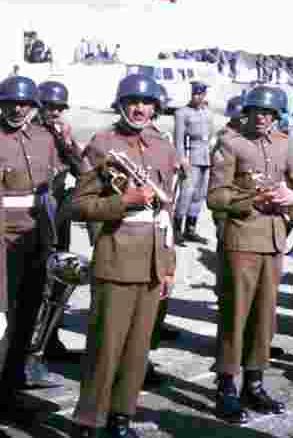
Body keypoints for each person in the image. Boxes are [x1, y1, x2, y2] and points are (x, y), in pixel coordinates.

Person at [67, 74, 177, 438]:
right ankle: (87, 423)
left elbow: (167, 213)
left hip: (152, 261)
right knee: (105, 349)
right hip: (115, 257)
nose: (140, 108)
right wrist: (123, 202)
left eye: (147, 103)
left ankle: (120, 420)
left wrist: (169, 266)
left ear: (156, 108)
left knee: (137, 350)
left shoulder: (164, 146)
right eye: (133, 101)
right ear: (120, 105)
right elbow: (78, 205)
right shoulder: (103, 143)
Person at [207, 85, 293, 424]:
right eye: (257, 112)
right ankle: (226, 385)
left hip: (273, 239)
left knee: (265, 316)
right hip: (241, 238)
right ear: (247, 113)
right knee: (235, 314)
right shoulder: (231, 143)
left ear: (278, 116)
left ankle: (254, 381)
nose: (263, 118)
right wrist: (252, 200)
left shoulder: (285, 143)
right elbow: (216, 196)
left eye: (269, 113)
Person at [0, 75, 62, 425]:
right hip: (3, 242)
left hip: (36, 240)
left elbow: (52, 189)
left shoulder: (45, 139)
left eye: (23, 103)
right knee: (0, 322)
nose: (16, 108)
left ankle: (11, 393)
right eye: (10, 102)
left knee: (26, 320)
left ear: (33, 107)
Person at [33, 80, 86, 363]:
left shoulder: (62, 135)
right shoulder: (23, 134)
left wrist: (68, 143)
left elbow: (83, 171)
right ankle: (29, 351)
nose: (54, 113)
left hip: (58, 216)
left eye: (58, 108)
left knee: (57, 281)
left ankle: (50, 340)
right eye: (48, 107)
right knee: (34, 285)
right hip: (31, 219)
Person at [173, 82, 213, 246]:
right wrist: (182, 159)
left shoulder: (207, 113)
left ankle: (190, 229)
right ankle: (176, 229)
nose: (199, 97)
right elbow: (179, 140)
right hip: (191, 156)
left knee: (200, 194)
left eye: (202, 94)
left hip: (205, 156)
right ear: (192, 94)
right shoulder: (182, 113)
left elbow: (210, 135)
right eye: (196, 94)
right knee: (186, 193)